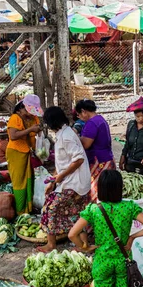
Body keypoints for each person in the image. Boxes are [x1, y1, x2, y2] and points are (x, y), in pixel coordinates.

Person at [38, 107, 91, 253]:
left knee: (50, 207)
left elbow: (78, 159)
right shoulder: (64, 133)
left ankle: (51, 244)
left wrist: (59, 178)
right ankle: (84, 245)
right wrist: (53, 181)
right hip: (76, 182)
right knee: (78, 211)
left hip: (75, 183)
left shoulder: (66, 136)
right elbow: (63, 163)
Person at [6, 95, 42, 214]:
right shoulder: (15, 118)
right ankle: (20, 211)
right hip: (15, 153)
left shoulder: (34, 118)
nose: (31, 114)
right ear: (21, 108)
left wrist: (39, 151)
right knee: (19, 183)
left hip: (28, 152)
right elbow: (13, 136)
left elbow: (35, 135)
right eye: (28, 111)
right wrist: (30, 129)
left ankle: (29, 208)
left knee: (29, 180)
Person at [76, 99, 115, 203]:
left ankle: (98, 213)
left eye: (79, 114)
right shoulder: (100, 119)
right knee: (107, 189)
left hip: (99, 161)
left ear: (84, 111)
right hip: (106, 158)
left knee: (98, 190)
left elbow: (86, 144)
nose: (79, 117)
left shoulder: (91, 123)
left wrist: (76, 139)